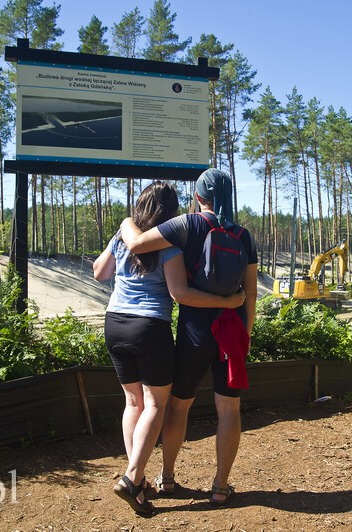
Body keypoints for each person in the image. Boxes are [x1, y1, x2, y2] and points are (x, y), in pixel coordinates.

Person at [93, 180, 245, 516]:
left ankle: (142, 476)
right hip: (149, 327)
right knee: (155, 405)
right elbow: (180, 294)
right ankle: (133, 478)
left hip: (114, 322)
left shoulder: (122, 236)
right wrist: (228, 301)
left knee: (132, 402)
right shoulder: (170, 246)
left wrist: (119, 232)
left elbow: (100, 272)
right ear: (170, 212)